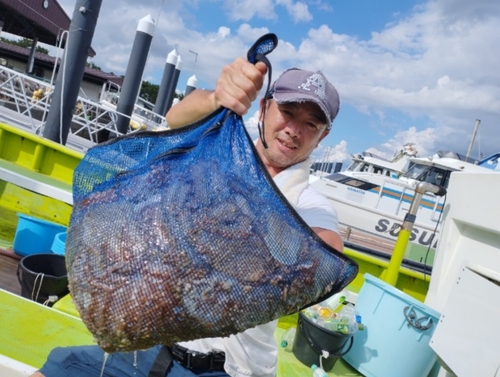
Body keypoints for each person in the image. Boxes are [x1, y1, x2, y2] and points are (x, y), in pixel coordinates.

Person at [31, 58, 343, 377]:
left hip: (229, 368)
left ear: (322, 136)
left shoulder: (308, 201)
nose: (293, 130)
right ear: (263, 108)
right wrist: (218, 98)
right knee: (54, 370)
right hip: (153, 345)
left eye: (311, 125)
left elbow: (329, 249)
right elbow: (176, 118)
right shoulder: (219, 152)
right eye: (288, 113)